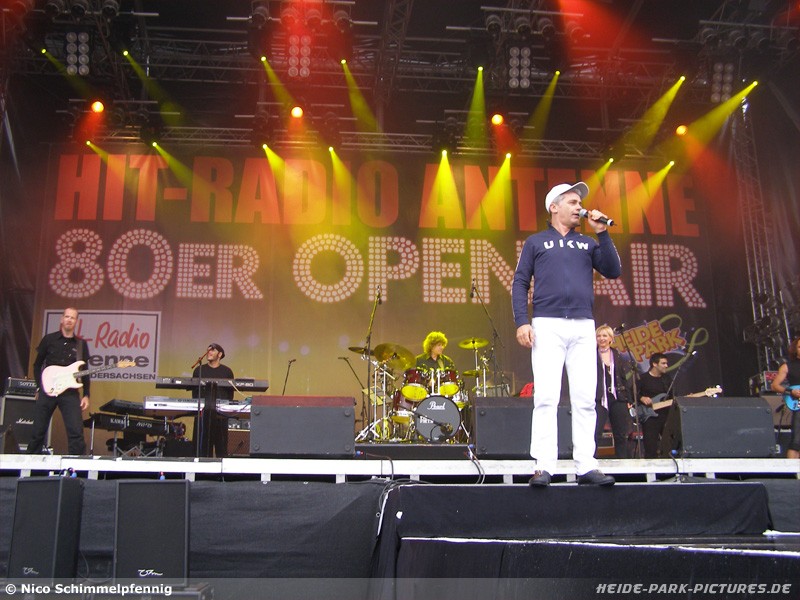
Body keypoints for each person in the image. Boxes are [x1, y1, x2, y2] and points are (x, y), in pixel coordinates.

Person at [512, 182, 621, 487]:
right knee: (546, 396)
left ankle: (586, 464)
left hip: (583, 324)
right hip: (547, 323)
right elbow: (520, 282)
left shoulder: (587, 243)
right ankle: (544, 465)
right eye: (573, 202)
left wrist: (602, 233)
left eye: (580, 203)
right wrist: (522, 321)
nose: (579, 208)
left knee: (585, 397)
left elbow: (613, 270)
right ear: (554, 207)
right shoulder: (536, 242)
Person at [27, 307, 90, 455]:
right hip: (48, 389)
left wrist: (86, 394)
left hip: (69, 392)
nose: (69, 320)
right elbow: (37, 365)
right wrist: (39, 387)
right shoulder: (49, 339)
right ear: (62, 319)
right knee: (38, 430)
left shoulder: (81, 344)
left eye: (72, 318)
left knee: (76, 431)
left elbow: (85, 372)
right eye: (67, 316)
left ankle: (76, 464)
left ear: (76, 321)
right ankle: (31, 462)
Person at [594, 325, 635, 458]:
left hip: (617, 397)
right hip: (599, 397)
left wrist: (628, 399)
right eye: (599, 336)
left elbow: (623, 378)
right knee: (595, 432)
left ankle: (622, 462)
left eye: (604, 336)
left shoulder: (617, 355)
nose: (601, 338)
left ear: (611, 338)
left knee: (621, 433)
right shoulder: (591, 354)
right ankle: (590, 462)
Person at [192, 343, 234, 458]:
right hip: (202, 414)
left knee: (221, 447)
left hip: (220, 415)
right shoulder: (199, 370)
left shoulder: (227, 371)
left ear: (219, 354)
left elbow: (230, 394)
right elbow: (195, 393)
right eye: (208, 350)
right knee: (200, 447)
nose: (209, 352)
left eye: (212, 350)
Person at [638, 352, 672, 459]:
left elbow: (673, 396)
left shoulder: (667, 379)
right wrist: (641, 398)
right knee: (651, 447)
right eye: (663, 363)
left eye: (666, 363)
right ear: (654, 364)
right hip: (650, 416)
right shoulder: (643, 378)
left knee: (669, 446)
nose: (666, 366)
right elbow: (632, 393)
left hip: (665, 415)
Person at [770, 335, 800, 459]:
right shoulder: (787, 366)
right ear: (795, 349)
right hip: (798, 404)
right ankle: (792, 470)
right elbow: (774, 385)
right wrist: (791, 391)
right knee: (797, 440)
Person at [415, 331, 458, 397]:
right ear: (431, 346)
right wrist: (426, 383)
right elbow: (415, 380)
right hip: (423, 396)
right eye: (439, 345)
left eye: (442, 345)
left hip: (443, 396)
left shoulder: (447, 361)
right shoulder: (419, 360)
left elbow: (453, 379)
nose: (442, 347)